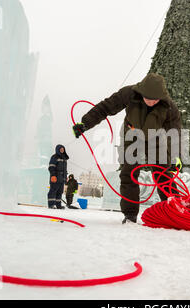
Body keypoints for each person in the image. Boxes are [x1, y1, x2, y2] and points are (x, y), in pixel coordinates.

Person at [73, 73, 182, 224]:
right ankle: (130, 215)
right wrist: (85, 124)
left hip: (155, 139)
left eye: (155, 100)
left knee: (163, 173)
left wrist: (175, 157)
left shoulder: (169, 107)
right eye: (148, 99)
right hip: (132, 135)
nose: (151, 102)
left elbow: (174, 134)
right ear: (142, 92)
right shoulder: (129, 94)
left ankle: (176, 211)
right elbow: (105, 107)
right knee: (128, 172)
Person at [48, 144, 69, 209]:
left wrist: (66, 177)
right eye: (61, 149)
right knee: (53, 191)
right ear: (58, 150)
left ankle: (58, 205)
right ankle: (51, 205)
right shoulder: (54, 157)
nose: (62, 150)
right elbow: (51, 167)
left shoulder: (64, 158)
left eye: (63, 149)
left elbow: (65, 169)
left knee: (60, 192)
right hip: (55, 177)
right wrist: (53, 175)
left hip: (62, 178)